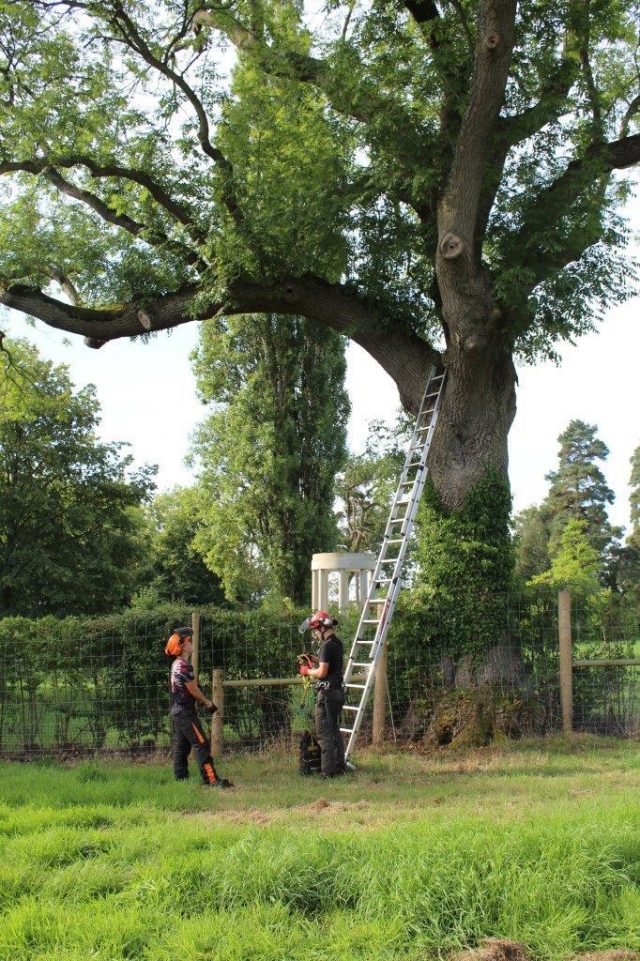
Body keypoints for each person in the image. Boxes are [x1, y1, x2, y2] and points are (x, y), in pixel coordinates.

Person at [165, 626, 232, 788]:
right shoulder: (184, 666)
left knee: (182, 746)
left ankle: (181, 778)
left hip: (177, 712)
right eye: (188, 641)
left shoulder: (176, 664)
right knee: (201, 744)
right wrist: (208, 703)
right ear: (182, 647)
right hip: (186, 714)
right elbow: (193, 689)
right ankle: (211, 780)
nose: (191, 642)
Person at [298, 610, 346, 778]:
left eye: (315, 631)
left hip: (326, 695)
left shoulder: (326, 646)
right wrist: (312, 658)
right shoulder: (337, 643)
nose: (315, 635)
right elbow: (329, 663)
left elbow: (323, 672)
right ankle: (340, 766)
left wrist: (307, 670)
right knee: (334, 731)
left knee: (324, 734)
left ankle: (327, 773)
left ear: (321, 628)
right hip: (337, 693)